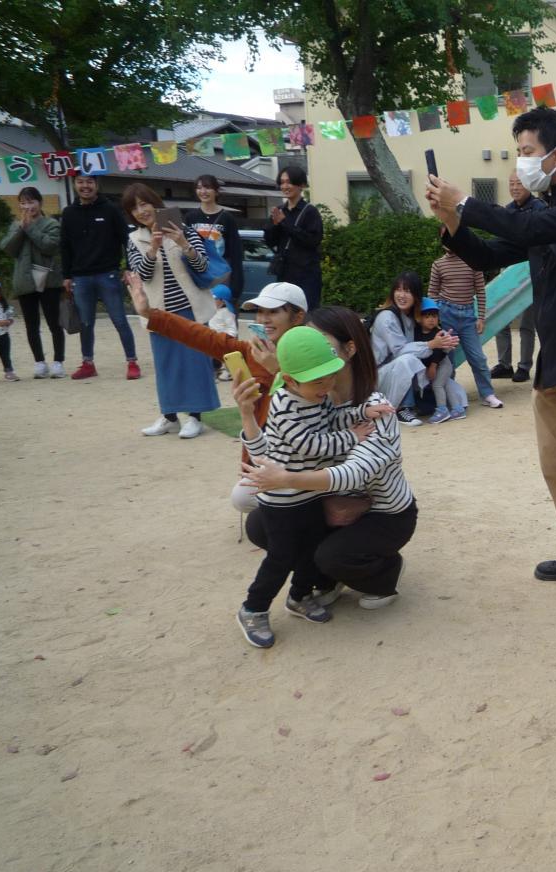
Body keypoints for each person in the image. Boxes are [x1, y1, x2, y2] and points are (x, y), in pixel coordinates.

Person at [426, 105, 556, 612]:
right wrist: (451, 218)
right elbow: (490, 255)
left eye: (527, 152)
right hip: (553, 355)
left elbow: (527, 230)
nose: (520, 161)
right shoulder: (543, 208)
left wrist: (466, 202)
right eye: (518, 151)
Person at [240, 307, 417, 612]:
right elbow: (267, 455)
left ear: (350, 349)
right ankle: (325, 577)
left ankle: (385, 573)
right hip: (326, 502)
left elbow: (354, 473)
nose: (314, 354)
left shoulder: (377, 407)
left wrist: (286, 479)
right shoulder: (304, 400)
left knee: (331, 555)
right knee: (261, 524)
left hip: (381, 512)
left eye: (323, 345)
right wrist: (247, 415)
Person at [234, 326, 388, 648]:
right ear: (290, 381)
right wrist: (352, 437)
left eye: (330, 378)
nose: (327, 387)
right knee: (282, 557)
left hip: (309, 494)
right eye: (318, 382)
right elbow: (310, 446)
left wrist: (361, 412)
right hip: (282, 500)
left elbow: (333, 419)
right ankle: (253, 608)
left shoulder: (317, 396)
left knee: (312, 549)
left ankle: (300, 596)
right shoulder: (284, 406)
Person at [130, 278, 307, 510]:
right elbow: (199, 335)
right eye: (260, 311)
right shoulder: (250, 351)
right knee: (243, 496)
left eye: (273, 312)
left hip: (304, 454)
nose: (263, 319)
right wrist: (150, 314)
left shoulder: (311, 354)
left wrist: (277, 370)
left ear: (298, 317)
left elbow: (314, 403)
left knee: (250, 498)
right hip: (266, 451)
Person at [123, 184, 220, 440]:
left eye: (144, 203)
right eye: (134, 208)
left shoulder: (184, 229)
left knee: (195, 362)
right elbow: (142, 275)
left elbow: (203, 266)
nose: (141, 211)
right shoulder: (134, 239)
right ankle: (169, 416)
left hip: (190, 308)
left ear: (155, 203)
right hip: (157, 310)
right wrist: (153, 249)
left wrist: (183, 243)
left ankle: (195, 417)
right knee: (165, 364)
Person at [60, 173, 140, 381]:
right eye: (80, 182)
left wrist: (128, 267)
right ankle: (88, 363)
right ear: (75, 185)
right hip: (80, 277)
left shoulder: (110, 209)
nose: (85, 186)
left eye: (89, 182)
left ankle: (132, 361)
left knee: (119, 320)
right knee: (86, 323)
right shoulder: (68, 213)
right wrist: (66, 275)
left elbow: (127, 240)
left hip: (108, 274)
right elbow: (65, 246)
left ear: (97, 185)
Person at [370, 272, 463, 427]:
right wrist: (431, 344)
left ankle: (436, 401)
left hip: (398, 373)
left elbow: (429, 337)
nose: (401, 295)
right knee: (407, 359)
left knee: (444, 353)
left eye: (407, 291)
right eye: (398, 290)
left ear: (416, 296)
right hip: (379, 376)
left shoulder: (411, 316)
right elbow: (400, 351)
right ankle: (403, 408)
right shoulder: (387, 317)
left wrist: (445, 341)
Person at [0, 186, 65, 378]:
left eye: (31, 201)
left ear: (40, 202)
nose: (27, 206)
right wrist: (21, 228)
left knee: (54, 323)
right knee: (31, 324)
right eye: (23, 202)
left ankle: (58, 362)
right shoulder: (16, 224)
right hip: (25, 280)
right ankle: (39, 362)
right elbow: (7, 248)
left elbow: (50, 246)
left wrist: (30, 228)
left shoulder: (51, 224)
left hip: (48, 279)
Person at [428, 250, 501, 408]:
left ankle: (487, 394)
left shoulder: (473, 262)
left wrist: (481, 317)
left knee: (478, 357)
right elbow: (432, 293)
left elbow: (480, 290)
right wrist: (436, 319)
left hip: (468, 315)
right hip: (446, 314)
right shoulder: (438, 264)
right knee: (448, 361)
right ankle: (451, 397)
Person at [491, 172, 544, 383]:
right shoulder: (507, 210)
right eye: (511, 183)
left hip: (529, 273)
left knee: (526, 324)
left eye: (519, 183)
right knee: (500, 322)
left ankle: (524, 366)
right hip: (507, 271)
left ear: (529, 185)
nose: (514, 187)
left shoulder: (539, 208)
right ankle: (504, 364)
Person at [264, 164, 323, 310]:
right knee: (285, 313)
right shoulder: (279, 211)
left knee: (306, 313)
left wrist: (284, 223)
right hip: (284, 272)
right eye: (282, 182)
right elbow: (270, 241)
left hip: (306, 274)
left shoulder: (310, 211)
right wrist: (275, 225)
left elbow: (313, 240)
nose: (285, 186)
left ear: (301, 185)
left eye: (289, 182)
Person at [184, 174, 244, 300]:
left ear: (216, 191)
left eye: (207, 187)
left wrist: (236, 285)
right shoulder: (190, 217)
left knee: (221, 311)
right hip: (197, 274)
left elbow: (236, 253)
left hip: (221, 275)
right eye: (199, 188)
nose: (203, 191)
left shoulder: (227, 218)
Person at [413, 298, 461, 423]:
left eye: (434, 316)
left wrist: (433, 366)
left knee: (437, 385)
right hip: (434, 365)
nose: (431, 319)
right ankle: (457, 408)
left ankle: (442, 410)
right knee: (446, 384)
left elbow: (439, 352)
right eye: (427, 316)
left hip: (442, 364)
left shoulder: (439, 333)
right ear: (419, 318)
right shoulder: (416, 332)